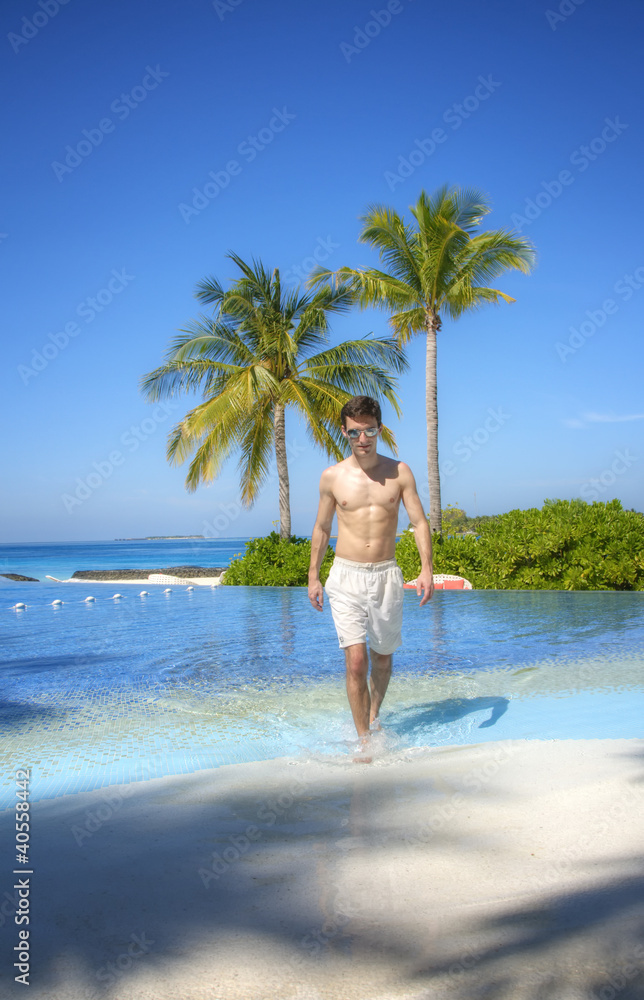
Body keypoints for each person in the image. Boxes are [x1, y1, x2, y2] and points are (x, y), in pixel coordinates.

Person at [308, 395, 434, 745]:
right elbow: (321, 528)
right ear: (344, 433)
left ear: (379, 430)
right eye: (354, 433)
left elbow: (419, 522)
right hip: (345, 575)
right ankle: (363, 739)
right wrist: (313, 576)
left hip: (386, 576)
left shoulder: (399, 472)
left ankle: (373, 713)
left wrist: (427, 569)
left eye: (369, 431)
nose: (362, 440)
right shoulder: (332, 477)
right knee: (356, 661)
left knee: (381, 658)